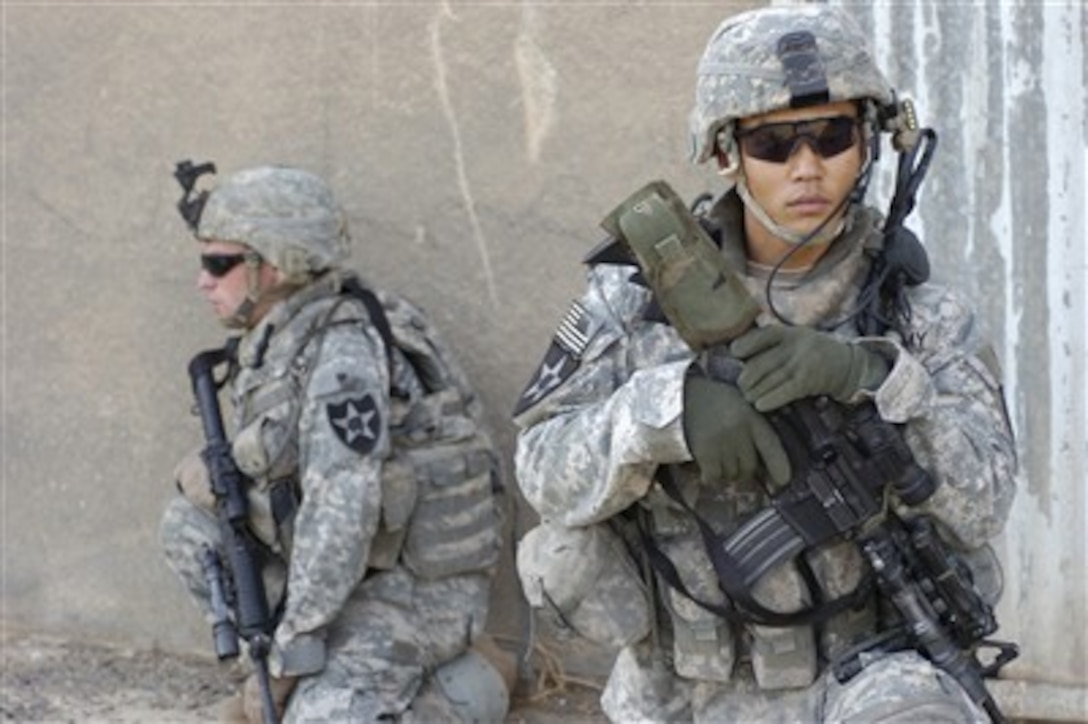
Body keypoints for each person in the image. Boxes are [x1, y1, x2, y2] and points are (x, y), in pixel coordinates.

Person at [512, 5, 1017, 722]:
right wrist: (664, 412)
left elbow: (983, 499)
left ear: (868, 142)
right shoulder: (637, 305)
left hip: (868, 679)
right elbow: (539, 468)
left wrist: (874, 379)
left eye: (833, 136)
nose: (807, 167)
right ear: (727, 153)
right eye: (776, 143)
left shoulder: (921, 318)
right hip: (682, 691)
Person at [159, 163, 512, 722]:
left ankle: (475, 683)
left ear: (273, 265)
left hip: (411, 590)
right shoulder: (280, 338)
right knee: (189, 527)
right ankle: (309, 676)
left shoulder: (344, 355)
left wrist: (288, 664)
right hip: (342, 579)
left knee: (323, 718)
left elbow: (341, 517)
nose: (203, 281)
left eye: (218, 263)